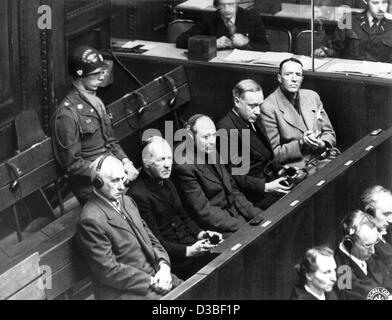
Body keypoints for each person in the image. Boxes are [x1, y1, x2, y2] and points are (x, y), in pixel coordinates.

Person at [75, 155, 181, 300]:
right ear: (97, 182)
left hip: (156, 277)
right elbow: (109, 271)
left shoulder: (128, 201)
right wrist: (152, 281)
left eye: (122, 179)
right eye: (114, 181)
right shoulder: (90, 220)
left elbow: (152, 240)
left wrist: (164, 267)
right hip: (127, 291)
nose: (121, 186)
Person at [51, 45, 138, 205]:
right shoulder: (66, 115)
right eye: (95, 74)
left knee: (148, 192)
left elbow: (111, 142)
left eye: (102, 72)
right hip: (92, 186)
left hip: (113, 176)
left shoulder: (95, 101)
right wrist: (107, 172)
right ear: (79, 75)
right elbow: (73, 165)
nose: (101, 77)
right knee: (141, 198)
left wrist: (126, 162)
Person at [128, 136, 223, 279]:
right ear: (146, 163)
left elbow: (182, 215)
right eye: (161, 160)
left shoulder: (165, 179)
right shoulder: (138, 195)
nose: (167, 165)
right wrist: (189, 251)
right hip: (173, 259)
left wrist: (202, 234)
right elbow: (155, 241)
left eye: (169, 158)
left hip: (190, 244)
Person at [172, 114, 265, 236]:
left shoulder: (211, 149)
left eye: (214, 135)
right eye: (206, 137)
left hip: (234, 217)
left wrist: (257, 215)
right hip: (216, 229)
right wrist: (243, 226)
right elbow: (204, 212)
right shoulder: (183, 166)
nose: (212, 141)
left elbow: (232, 189)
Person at [216, 79, 292, 210]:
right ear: (237, 102)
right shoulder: (226, 130)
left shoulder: (252, 118)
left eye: (260, 105)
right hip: (256, 194)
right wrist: (267, 187)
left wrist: (282, 169)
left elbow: (266, 154)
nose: (258, 111)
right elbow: (236, 176)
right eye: (252, 105)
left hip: (272, 180)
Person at [260, 58, 337, 171]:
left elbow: (329, 133)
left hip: (324, 157)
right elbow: (275, 154)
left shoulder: (312, 96)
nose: (294, 79)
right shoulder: (268, 107)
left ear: (302, 78)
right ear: (279, 78)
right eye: (288, 74)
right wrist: (301, 143)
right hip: (299, 167)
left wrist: (322, 143)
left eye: (298, 74)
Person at [335, 210, 392, 300]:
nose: (373, 251)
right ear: (349, 242)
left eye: (375, 242)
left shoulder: (373, 257)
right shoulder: (339, 266)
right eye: (368, 245)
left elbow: (388, 282)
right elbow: (354, 291)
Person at [176, 0, 270, 51]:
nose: (227, 9)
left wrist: (246, 43)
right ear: (217, 5)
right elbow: (181, 41)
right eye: (223, 5)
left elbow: (265, 46)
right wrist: (212, 43)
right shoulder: (209, 18)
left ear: (237, 2)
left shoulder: (251, 17)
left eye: (231, 4)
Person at [316, 0, 392, 62]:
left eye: (384, 2)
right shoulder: (347, 19)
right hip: (350, 76)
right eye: (375, 3)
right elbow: (335, 48)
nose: (381, 8)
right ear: (366, 1)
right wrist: (324, 52)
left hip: (379, 78)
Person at [360, 186, 392, 271]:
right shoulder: (365, 247)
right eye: (386, 214)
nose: (391, 220)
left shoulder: (386, 236)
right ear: (369, 212)